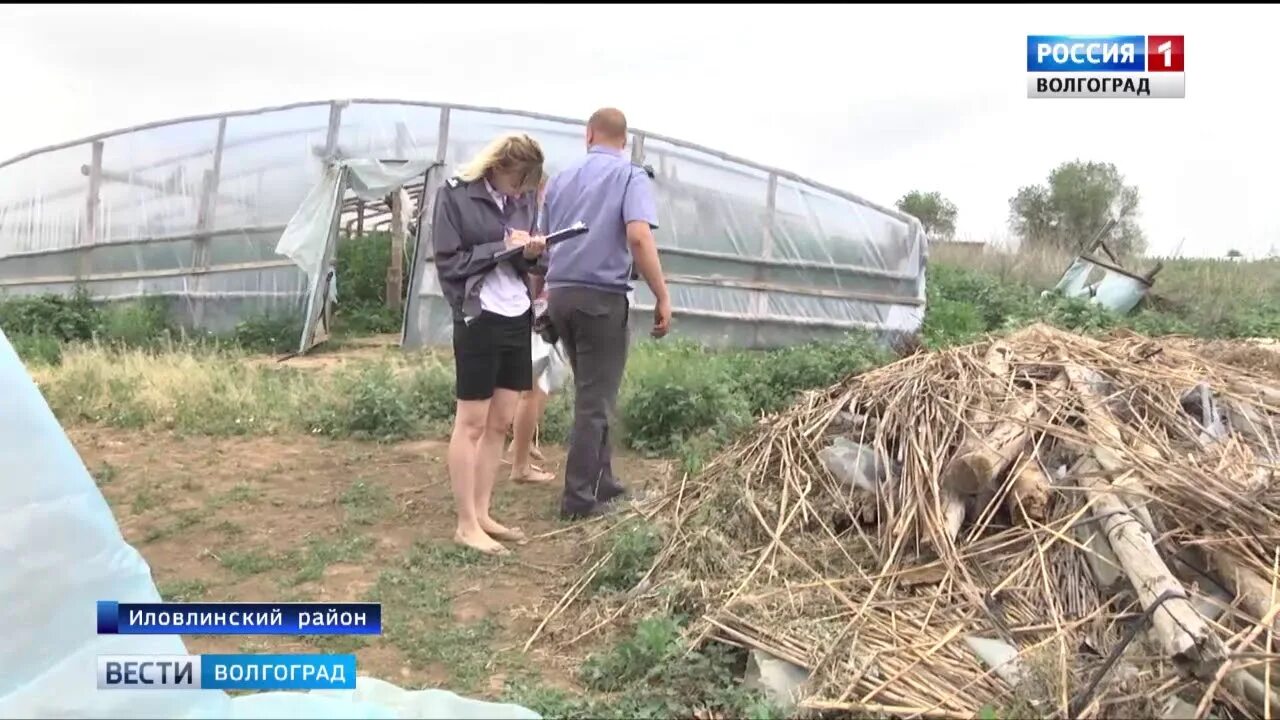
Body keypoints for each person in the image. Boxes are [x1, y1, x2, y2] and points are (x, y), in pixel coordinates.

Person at [539, 108, 672, 520]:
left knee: (593, 392)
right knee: (595, 402)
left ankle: (604, 481)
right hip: (600, 299)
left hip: (561, 295)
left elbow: (541, 243)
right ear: (624, 140)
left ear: (589, 135)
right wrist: (662, 296)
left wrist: (540, 302)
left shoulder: (559, 180)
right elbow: (637, 235)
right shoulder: (630, 176)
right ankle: (579, 499)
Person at [431, 132, 548, 555]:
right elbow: (449, 261)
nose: (520, 192)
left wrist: (532, 253)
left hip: (517, 312)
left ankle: (482, 513)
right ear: (497, 166)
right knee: (473, 422)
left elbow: (526, 262)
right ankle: (465, 524)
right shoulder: (455, 196)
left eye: (526, 187)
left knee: (501, 419)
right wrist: (502, 246)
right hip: (479, 315)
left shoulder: (523, 201)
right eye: (517, 181)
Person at [506, 175, 559, 485]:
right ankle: (520, 464)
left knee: (542, 381)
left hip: (539, 307)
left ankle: (522, 443)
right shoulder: (527, 219)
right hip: (536, 309)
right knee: (533, 385)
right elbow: (534, 268)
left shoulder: (535, 216)